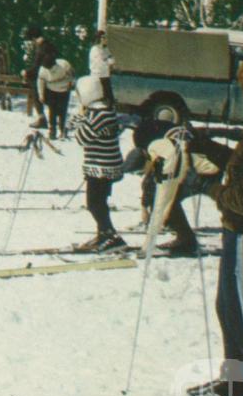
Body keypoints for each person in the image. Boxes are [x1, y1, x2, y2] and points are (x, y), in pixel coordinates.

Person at [190, 53, 243, 396]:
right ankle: (236, 380)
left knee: (238, 309)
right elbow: (242, 168)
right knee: (229, 306)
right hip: (242, 231)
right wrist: (205, 146)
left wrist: (206, 188)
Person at [123, 118, 229, 255]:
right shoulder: (160, 145)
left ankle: (186, 241)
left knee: (167, 200)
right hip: (211, 161)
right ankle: (186, 238)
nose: (141, 175)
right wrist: (145, 206)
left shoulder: (165, 156)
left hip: (208, 168)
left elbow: (162, 197)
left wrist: (149, 244)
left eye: (140, 172)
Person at [72, 75, 126, 251]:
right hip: (101, 164)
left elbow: (81, 138)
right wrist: (80, 119)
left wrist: (79, 119)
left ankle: (110, 234)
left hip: (103, 166)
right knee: (98, 202)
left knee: (94, 203)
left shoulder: (100, 114)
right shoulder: (100, 111)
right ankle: (103, 233)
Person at [37, 47, 74, 139]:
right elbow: (41, 82)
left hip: (64, 91)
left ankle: (62, 130)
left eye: (51, 68)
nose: (50, 70)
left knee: (62, 111)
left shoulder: (64, 65)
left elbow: (72, 76)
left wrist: (71, 84)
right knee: (52, 111)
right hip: (51, 91)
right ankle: (52, 130)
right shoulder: (43, 70)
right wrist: (41, 94)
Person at [21, 26, 47, 127]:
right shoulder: (44, 44)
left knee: (37, 93)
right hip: (46, 73)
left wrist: (27, 72)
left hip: (41, 75)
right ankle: (43, 117)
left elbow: (35, 63)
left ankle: (42, 118)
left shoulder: (38, 46)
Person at [89, 29, 115, 106]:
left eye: (105, 37)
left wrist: (107, 60)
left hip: (106, 75)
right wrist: (107, 61)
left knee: (109, 97)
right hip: (97, 76)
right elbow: (100, 64)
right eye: (103, 37)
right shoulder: (95, 49)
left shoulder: (105, 49)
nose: (105, 39)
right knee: (98, 97)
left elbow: (112, 60)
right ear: (99, 38)